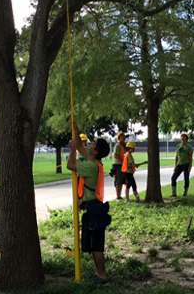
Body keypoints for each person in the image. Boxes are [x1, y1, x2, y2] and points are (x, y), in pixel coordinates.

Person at [67, 121, 111, 285]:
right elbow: (80, 146)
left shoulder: (92, 166)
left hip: (94, 209)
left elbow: (70, 165)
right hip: (94, 207)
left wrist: (71, 149)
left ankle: (102, 277)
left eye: (92, 143)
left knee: (96, 246)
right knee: (94, 245)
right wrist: (76, 130)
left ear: (96, 150)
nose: (90, 144)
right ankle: (99, 274)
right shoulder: (92, 160)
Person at [171, 133, 193, 197]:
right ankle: (174, 193)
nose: (182, 138)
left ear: (186, 139)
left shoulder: (188, 147)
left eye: (184, 137)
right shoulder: (178, 146)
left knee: (186, 178)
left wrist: (190, 166)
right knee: (173, 178)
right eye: (182, 137)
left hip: (186, 164)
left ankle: (185, 192)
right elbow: (176, 156)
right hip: (179, 164)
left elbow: (190, 157)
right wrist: (175, 165)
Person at [112, 131, 127, 200]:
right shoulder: (118, 145)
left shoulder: (123, 146)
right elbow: (115, 155)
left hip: (121, 165)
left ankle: (119, 196)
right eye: (121, 137)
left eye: (124, 137)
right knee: (118, 181)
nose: (123, 138)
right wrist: (122, 162)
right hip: (118, 165)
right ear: (119, 138)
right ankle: (118, 196)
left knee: (121, 181)